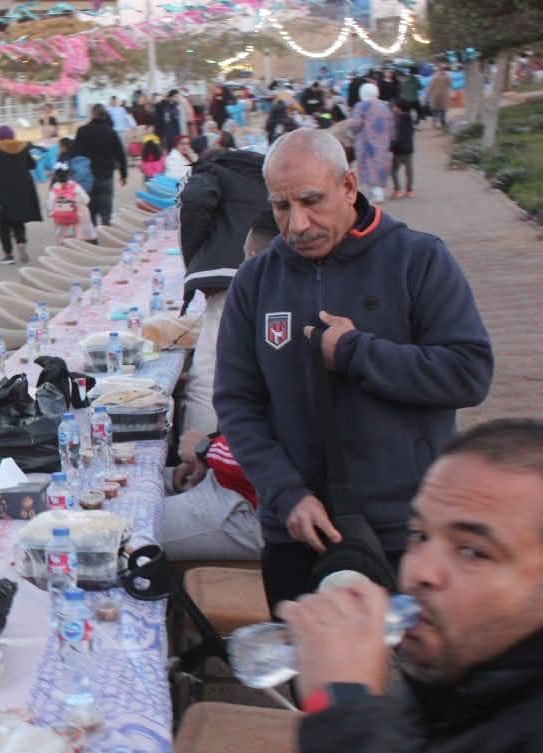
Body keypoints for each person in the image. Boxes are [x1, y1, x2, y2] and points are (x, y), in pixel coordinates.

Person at [85, 418, 543, 753]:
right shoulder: (462, 680)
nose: (420, 571)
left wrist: (345, 706)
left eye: (472, 551)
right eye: (420, 535)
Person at [213, 128, 493, 611]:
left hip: (404, 529)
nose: (298, 224)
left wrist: (355, 353)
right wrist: (285, 493)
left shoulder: (418, 258)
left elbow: (468, 372)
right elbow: (237, 401)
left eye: (311, 201)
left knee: (409, 659)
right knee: (307, 659)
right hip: (298, 531)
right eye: (281, 207)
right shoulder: (256, 280)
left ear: (348, 186)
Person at [162, 209, 275, 561]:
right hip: (231, 481)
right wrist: (210, 452)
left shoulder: (290, 336)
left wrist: (206, 450)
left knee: (118, 530)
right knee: (122, 487)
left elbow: (282, 453)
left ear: (253, 260)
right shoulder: (268, 317)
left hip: (251, 509)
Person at [177, 150, 268, 438]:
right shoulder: (260, 174)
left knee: (208, 374)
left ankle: (198, 449)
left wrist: (196, 260)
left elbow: (195, 199)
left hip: (230, 280)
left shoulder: (210, 172)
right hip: (271, 274)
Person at [0, 125, 42, 265]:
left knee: (4, 224)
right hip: (22, 189)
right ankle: (21, 242)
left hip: (3, 191)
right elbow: (32, 165)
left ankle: (8, 255)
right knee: (18, 220)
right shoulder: (22, 147)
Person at [74, 103, 129, 227]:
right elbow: (121, 155)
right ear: (105, 115)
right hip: (106, 176)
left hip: (87, 176)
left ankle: (93, 235)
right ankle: (106, 232)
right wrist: (123, 175)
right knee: (106, 211)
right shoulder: (111, 132)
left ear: (92, 114)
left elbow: (75, 155)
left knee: (90, 210)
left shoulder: (82, 131)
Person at [348, 81, 395, 202]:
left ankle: (376, 193)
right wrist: (391, 137)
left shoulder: (361, 106)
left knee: (369, 167)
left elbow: (355, 124)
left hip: (366, 142)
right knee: (379, 165)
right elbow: (391, 123)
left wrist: (349, 125)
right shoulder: (384, 105)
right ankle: (378, 191)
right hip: (383, 141)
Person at [47, 163, 90, 242]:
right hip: (75, 215)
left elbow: (50, 203)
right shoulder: (75, 186)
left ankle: (61, 244)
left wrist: (51, 212)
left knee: (60, 234)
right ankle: (77, 243)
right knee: (78, 231)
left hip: (59, 216)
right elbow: (86, 200)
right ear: (69, 175)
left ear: (55, 176)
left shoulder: (54, 188)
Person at [390, 99, 416, 199]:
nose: (393, 108)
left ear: (398, 108)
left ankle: (397, 190)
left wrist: (391, 147)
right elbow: (411, 132)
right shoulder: (409, 119)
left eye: (394, 106)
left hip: (398, 150)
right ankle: (409, 191)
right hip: (408, 149)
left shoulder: (396, 119)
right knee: (409, 171)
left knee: (394, 170)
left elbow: (395, 136)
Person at [427, 64, 452, 129]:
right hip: (444, 95)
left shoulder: (434, 76)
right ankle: (442, 123)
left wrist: (427, 95)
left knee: (435, 110)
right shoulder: (447, 76)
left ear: (438, 69)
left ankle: (434, 124)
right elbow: (450, 84)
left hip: (435, 95)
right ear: (444, 69)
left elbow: (430, 86)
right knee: (443, 110)